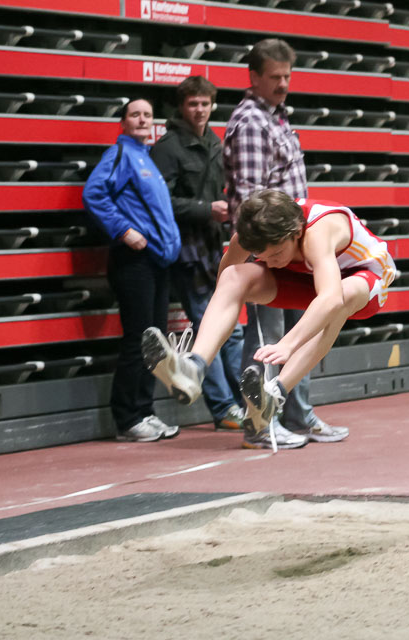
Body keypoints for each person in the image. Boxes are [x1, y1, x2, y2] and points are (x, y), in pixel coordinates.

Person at [143, 190, 396, 449]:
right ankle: (194, 368)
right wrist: (225, 315)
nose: (270, 263)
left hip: (364, 279)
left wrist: (287, 344)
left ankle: (276, 393)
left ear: (296, 233)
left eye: (275, 255)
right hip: (309, 278)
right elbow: (224, 283)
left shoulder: (319, 233)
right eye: (262, 256)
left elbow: (329, 298)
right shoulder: (251, 233)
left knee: (341, 297)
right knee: (234, 277)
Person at [222, 38, 348, 447]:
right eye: (274, 77)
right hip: (268, 251)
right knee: (265, 339)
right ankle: (259, 424)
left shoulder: (277, 117)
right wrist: (261, 254)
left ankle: (297, 415)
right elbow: (249, 200)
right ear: (253, 77)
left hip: (291, 248)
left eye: (287, 76)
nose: (282, 84)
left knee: (303, 329)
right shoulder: (252, 123)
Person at [150, 76, 246, 432]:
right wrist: (207, 209)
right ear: (181, 106)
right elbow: (161, 203)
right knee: (214, 326)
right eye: (193, 104)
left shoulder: (215, 143)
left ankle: (241, 402)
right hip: (186, 252)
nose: (200, 110)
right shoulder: (168, 148)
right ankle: (224, 408)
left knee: (229, 331)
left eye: (205, 103)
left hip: (212, 248)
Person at [83, 99, 182, 442]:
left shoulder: (146, 159)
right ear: (123, 122)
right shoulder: (120, 156)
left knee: (154, 344)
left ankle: (145, 411)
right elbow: (94, 194)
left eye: (148, 115)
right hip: (133, 263)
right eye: (135, 114)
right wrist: (124, 231)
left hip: (157, 262)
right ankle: (127, 419)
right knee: (138, 340)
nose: (142, 120)